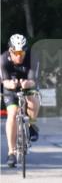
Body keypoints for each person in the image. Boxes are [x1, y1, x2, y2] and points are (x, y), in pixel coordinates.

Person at [2, 34, 39, 167]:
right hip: (10, 86)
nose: (19, 56)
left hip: (27, 82)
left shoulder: (31, 58)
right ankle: (11, 152)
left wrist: (27, 84)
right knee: (12, 114)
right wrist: (10, 84)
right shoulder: (3, 60)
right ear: (10, 51)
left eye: (22, 53)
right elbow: (4, 81)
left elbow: (33, 80)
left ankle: (32, 125)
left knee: (32, 98)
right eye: (16, 53)